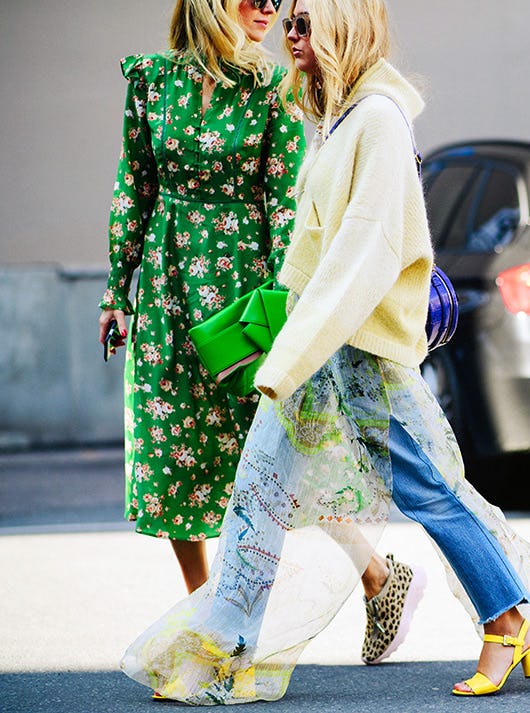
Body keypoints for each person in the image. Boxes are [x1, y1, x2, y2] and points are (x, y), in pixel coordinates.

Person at [119, 0, 530, 703]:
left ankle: (508, 618)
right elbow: (313, 255)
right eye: (290, 23)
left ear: (345, 27)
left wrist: (286, 358)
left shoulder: (376, 119)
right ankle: (227, 651)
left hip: (357, 352)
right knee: (257, 493)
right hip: (320, 345)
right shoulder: (338, 117)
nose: (290, 32)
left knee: (429, 489)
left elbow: (361, 258)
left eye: (306, 22)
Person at [97, 0, 422, 668]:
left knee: (278, 453)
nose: (270, 10)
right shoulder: (151, 82)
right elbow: (136, 185)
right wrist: (115, 289)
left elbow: (286, 206)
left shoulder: (273, 89)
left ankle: (375, 576)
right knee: (174, 452)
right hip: (168, 291)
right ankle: (211, 619)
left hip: (248, 289)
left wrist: (291, 315)